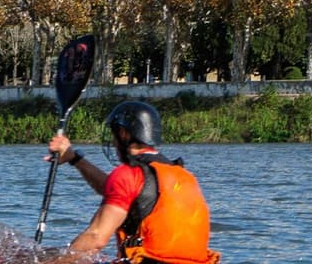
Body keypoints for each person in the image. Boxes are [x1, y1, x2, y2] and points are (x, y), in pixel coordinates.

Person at [45, 101, 218, 264]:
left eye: (114, 135)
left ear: (123, 133)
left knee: (29, 255)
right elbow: (115, 191)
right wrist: (74, 158)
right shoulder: (183, 176)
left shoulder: (129, 175)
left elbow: (96, 238)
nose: (113, 142)